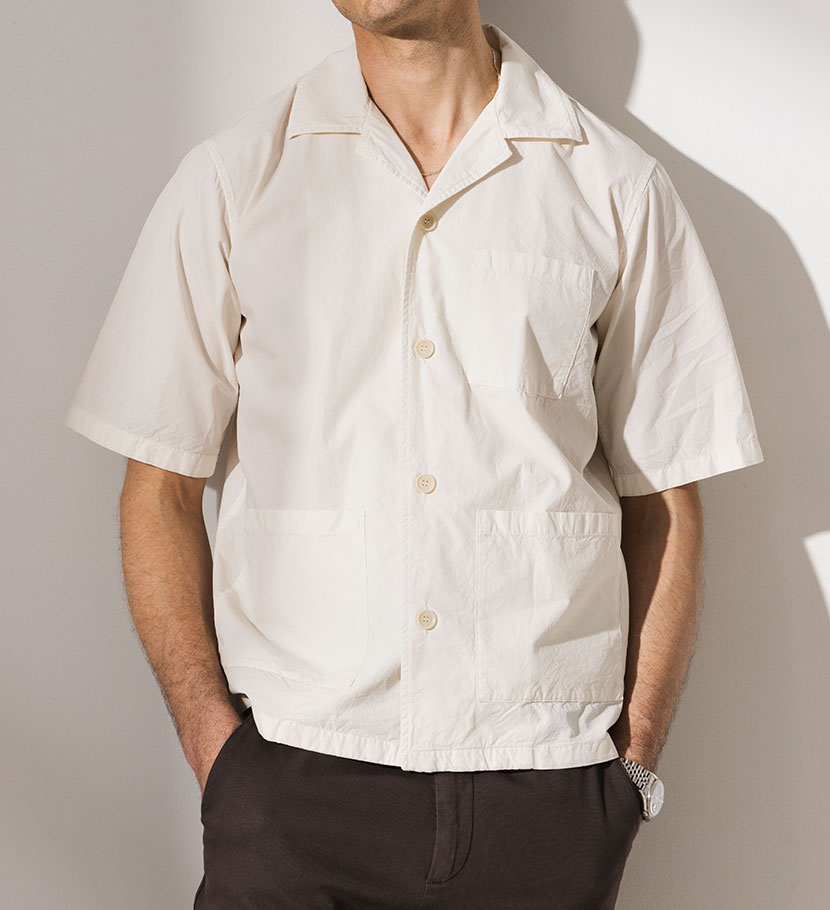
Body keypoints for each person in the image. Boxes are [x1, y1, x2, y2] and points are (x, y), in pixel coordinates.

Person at [63, 2, 764, 907]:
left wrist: (629, 774)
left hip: (543, 796)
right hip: (292, 783)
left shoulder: (615, 188)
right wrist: (218, 752)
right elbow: (158, 483)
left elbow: (664, 494)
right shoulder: (235, 180)